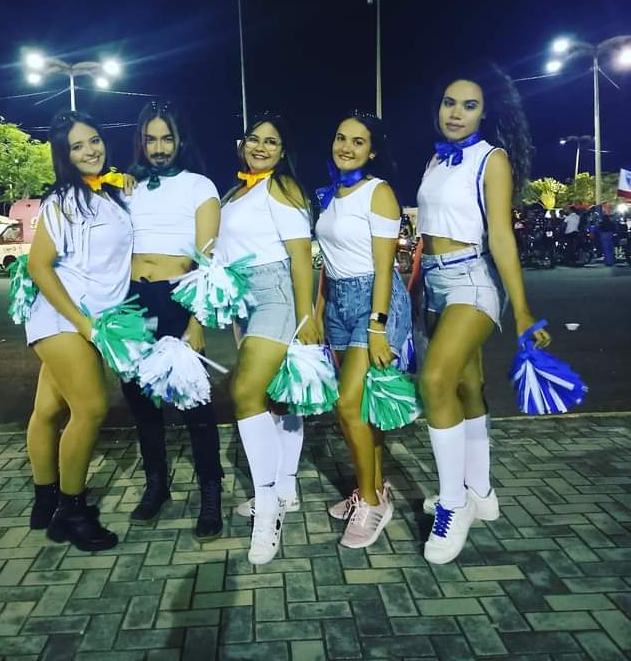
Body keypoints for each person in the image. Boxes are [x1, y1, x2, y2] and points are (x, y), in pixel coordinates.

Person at [415, 63, 551, 565]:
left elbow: (500, 235)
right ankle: (481, 492)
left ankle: (454, 505)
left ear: (485, 112)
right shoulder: (436, 159)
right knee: (467, 386)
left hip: (471, 280)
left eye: (469, 105)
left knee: (434, 381)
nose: (456, 113)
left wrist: (522, 310)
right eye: (449, 103)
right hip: (432, 283)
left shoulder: (491, 159)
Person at [215, 112, 322, 564]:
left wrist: (306, 315)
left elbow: (300, 256)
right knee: (278, 396)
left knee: (245, 392)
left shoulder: (282, 187)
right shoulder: (234, 192)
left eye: (271, 141)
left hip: (276, 293)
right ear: (242, 144)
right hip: (244, 299)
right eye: (254, 139)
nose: (260, 147)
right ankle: (286, 489)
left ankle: (269, 510)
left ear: (283, 151)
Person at [25, 110, 132, 552]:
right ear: (64, 155)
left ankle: (45, 500)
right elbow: (38, 266)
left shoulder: (108, 194)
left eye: (94, 140)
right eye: (77, 146)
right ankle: (71, 512)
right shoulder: (63, 201)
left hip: (89, 319)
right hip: (64, 319)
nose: (90, 151)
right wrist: (83, 322)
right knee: (90, 408)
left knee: (49, 410)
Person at [121, 100, 225, 539]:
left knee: (194, 405)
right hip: (130, 301)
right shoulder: (127, 186)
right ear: (141, 142)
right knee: (141, 403)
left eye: (167, 138)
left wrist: (196, 323)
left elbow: (208, 261)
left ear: (181, 140)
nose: (159, 147)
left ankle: (211, 492)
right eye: (151, 139)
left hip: (177, 299)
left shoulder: (200, 186)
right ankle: (156, 486)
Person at [314, 112, 412, 548]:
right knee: (362, 406)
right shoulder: (330, 194)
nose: (347, 147)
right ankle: (371, 487)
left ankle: (372, 503)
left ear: (372, 151)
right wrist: (319, 310)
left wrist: (377, 326)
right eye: (341, 138)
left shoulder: (379, 192)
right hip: (337, 302)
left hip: (375, 302)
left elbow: (385, 267)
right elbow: (327, 262)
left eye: (358, 141)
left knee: (348, 403)